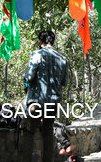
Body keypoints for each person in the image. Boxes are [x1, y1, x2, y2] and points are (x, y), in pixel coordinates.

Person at [24, 30, 69, 162]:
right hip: (53, 102)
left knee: (28, 132)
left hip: (36, 101)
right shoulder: (62, 59)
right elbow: (64, 82)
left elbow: (29, 76)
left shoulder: (37, 55)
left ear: (41, 42)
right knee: (48, 131)